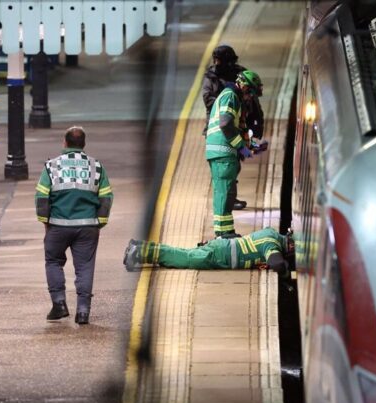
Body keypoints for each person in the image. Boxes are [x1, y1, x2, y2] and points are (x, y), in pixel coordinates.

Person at [35, 126, 113, 325]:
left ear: (65, 142)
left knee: (53, 261)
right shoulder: (97, 167)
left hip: (57, 225)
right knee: (85, 267)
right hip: (88, 226)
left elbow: (42, 196)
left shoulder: (52, 166)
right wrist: (99, 223)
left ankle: (59, 305)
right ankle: (83, 312)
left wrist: (45, 222)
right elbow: (106, 197)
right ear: (83, 144)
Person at [202, 45, 266, 211]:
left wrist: (255, 129)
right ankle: (229, 200)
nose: (217, 63)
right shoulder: (220, 85)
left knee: (233, 166)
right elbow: (215, 108)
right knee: (228, 169)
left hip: (235, 126)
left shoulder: (241, 76)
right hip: (221, 132)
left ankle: (230, 199)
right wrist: (241, 146)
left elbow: (253, 104)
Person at [205, 70, 264, 237]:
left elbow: (238, 127)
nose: (251, 97)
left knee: (226, 192)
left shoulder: (233, 98)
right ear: (244, 87)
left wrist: (251, 145)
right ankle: (224, 234)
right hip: (222, 151)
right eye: (251, 93)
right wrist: (240, 146)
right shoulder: (230, 96)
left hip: (222, 152)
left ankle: (225, 231)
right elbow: (225, 124)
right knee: (225, 192)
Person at [123, 227, 293, 277]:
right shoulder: (272, 244)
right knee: (184, 259)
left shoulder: (271, 233)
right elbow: (276, 263)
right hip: (220, 256)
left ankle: (141, 246)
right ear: (290, 246)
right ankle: (139, 253)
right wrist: (286, 268)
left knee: (183, 253)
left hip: (221, 246)